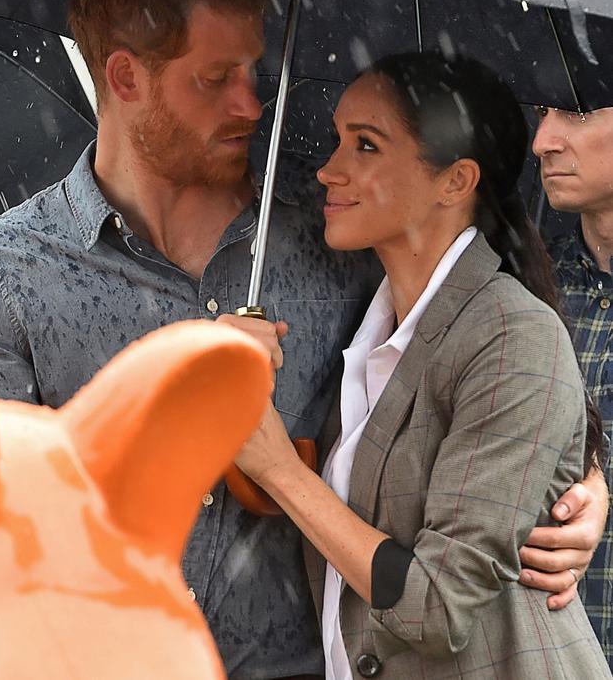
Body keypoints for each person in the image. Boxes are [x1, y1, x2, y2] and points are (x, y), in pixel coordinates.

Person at [0, 0, 604, 678]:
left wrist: (582, 483)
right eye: (215, 78)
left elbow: (499, 369)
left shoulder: (341, 230)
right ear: (126, 76)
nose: (250, 101)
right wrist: (176, 399)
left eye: (253, 69)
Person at [233, 52, 611, 679]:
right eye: (337, 140)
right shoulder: (363, 323)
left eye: (366, 146)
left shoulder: (512, 332)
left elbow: (438, 606)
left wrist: (281, 473)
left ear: (455, 181)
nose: (329, 170)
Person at [533, 103, 613, 667]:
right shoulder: (528, 288)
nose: (542, 140)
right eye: (544, 112)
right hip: (545, 653)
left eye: (578, 114)